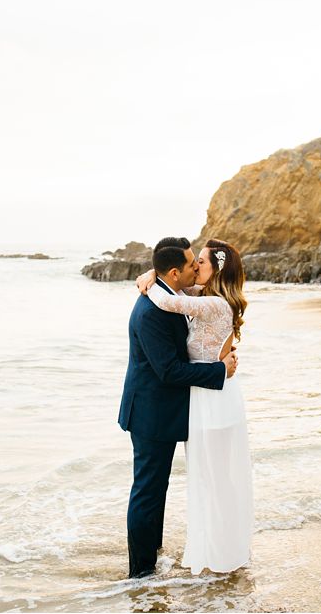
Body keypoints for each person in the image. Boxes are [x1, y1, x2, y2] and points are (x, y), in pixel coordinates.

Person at [118, 237, 239, 579]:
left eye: (199, 262)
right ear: (175, 272)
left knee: (156, 490)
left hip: (166, 411)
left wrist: (150, 276)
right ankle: (140, 574)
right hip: (150, 414)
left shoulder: (177, 295)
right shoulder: (151, 312)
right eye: (190, 264)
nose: (195, 267)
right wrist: (219, 371)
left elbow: (168, 281)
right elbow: (168, 371)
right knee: (147, 492)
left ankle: (151, 558)